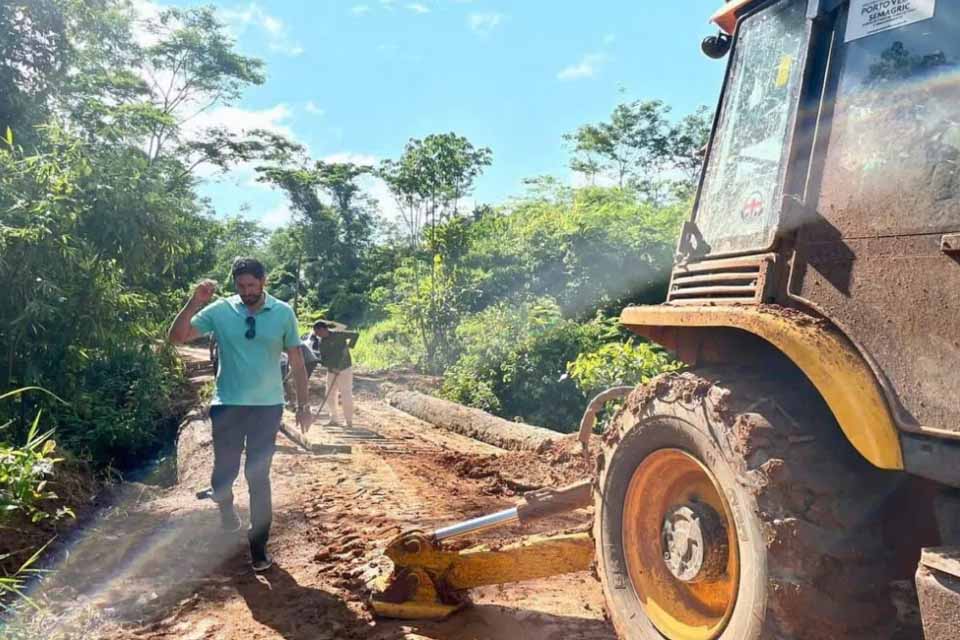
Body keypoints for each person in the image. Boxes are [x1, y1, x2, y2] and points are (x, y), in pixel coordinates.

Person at [167, 257, 312, 572]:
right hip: (228, 405)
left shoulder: (283, 312)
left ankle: (258, 546)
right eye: (241, 286)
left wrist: (303, 405)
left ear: (263, 282)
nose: (246, 291)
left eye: (252, 285)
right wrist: (194, 301)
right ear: (235, 284)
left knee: (258, 476)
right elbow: (177, 338)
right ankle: (226, 507)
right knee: (224, 473)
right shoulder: (220, 311)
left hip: (267, 407)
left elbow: (297, 360)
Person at [310, 320, 358, 428]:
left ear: (324, 329)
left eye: (318, 332)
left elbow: (355, 335)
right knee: (330, 395)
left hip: (345, 368)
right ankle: (334, 419)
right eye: (316, 334)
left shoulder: (338, 334)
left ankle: (348, 421)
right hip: (332, 371)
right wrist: (332, 368)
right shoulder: (321, 342)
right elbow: (324, 360)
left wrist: (350, 346)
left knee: (346, 394)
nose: (317, 335)